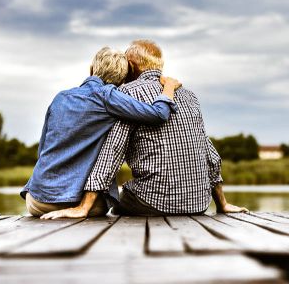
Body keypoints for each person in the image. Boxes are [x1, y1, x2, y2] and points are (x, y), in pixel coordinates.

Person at [41, 40, 247, 219]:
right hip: (198, 204)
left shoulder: (126, 93)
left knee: (115, 201)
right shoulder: (189, 95)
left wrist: (83, 207)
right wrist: (222, 204)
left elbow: (112, 151)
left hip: (152, 202)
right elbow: (209, 152)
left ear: (130, 66)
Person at [21, 46, 181, 218]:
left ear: (91, 69)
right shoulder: (108, 96)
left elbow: (42, 150)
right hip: (75, 201)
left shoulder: (60, 97)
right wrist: (169, 87)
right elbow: (159, 114)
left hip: (36, 200)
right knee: (109, 204)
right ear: (123, 80)